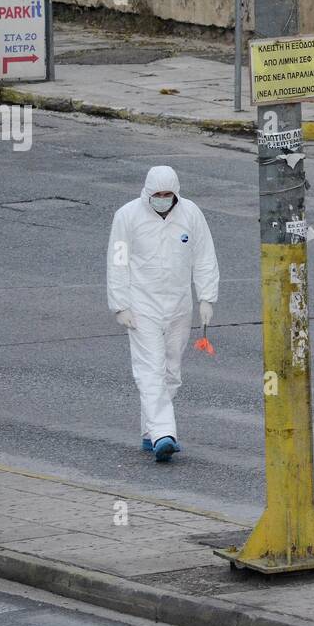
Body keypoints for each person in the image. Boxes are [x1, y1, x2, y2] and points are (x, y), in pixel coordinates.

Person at [107, 166, 219, 462]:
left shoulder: (191, 214)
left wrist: (206, 297)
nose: (162, 199)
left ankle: (150, 433)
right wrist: (120, 305)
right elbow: (117, 263)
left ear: (176, 193)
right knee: (150, 369)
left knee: (171, 371)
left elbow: (204, 256)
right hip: (142, 305)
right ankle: (164, 435)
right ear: (147, 193)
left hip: (179, 305)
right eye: (157, 194)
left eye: (167, 194)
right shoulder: (127, 217)